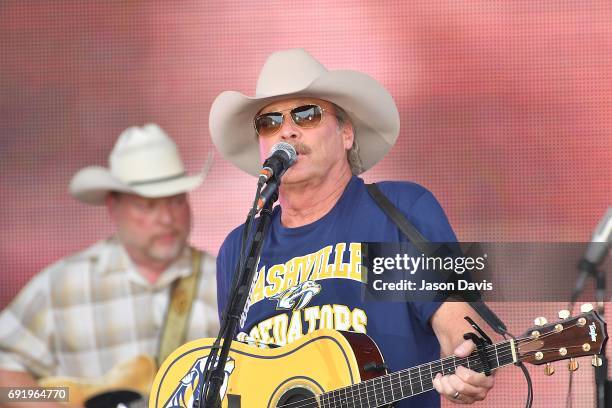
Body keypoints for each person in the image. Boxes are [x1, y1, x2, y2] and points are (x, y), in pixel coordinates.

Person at [209, 49, 495, 406]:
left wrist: (471, 357)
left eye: (307, 114)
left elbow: (456, 321)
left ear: (347, 133)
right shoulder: (239, 248)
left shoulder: (398, 213)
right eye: (269, 122)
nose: (287, 131)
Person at [0, 124, 218, 407]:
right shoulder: (61, 286)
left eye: (176, 201)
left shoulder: (228, 279)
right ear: (113, 206)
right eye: (148, 205)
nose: (167, 218)